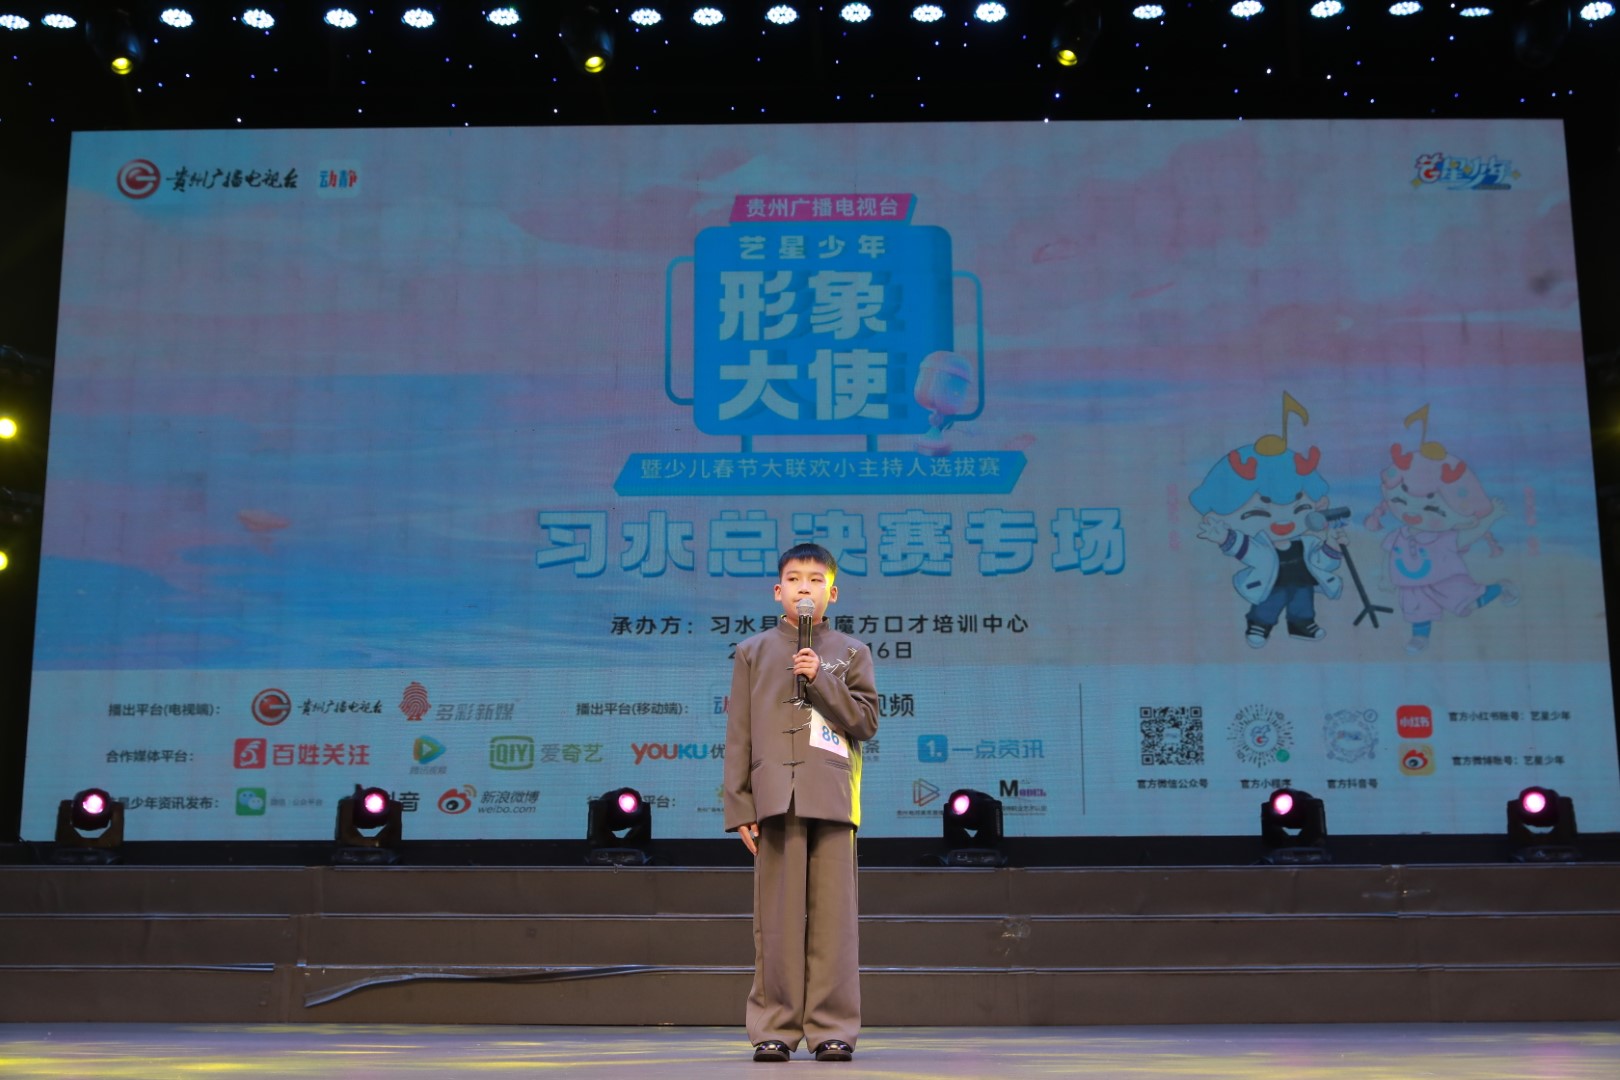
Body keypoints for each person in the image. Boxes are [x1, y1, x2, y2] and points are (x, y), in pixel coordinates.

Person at [723, 543, 879, 1063]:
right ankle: (775, 1027)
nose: (804, 588)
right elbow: (739, 734)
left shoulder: (852, 652)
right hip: (774, 798)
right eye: (794, 579)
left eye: (815, 580)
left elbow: (865, 723)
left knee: (835, 922)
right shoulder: (752, 652)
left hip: (831, 796)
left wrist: (821, 678)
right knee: (777, 921)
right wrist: (740, 806)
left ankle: (833, 1029)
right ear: (778, 591)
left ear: (832, 593)